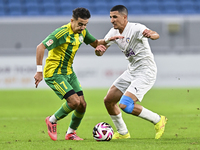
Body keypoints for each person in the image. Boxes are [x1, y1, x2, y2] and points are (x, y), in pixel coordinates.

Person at [34, 7, 111, 141]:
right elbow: (40, 47)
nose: (82, 27)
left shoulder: (83, 33)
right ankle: (51, 120)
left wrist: (111, 40)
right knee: (74, 102)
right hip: (54, 73)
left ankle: (70, 133)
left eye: (85, 24)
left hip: (69, 72)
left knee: (82, 105)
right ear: (72, 21)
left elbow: (96, 43)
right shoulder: (61, 33)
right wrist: (39, 71)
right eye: (80, 24)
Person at [95, 5, 167, 139]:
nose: (112, 20)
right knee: (109, 101)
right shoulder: (113, 32)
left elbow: (155, 34)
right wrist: (99, 51)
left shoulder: (136, 28)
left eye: (115, 17)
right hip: (132, 71)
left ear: (124, 17)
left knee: (125, 105)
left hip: (146, 71)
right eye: (110, 17)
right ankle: (123, 133)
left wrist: (151, 35)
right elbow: (101, 47)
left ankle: (158, 120)